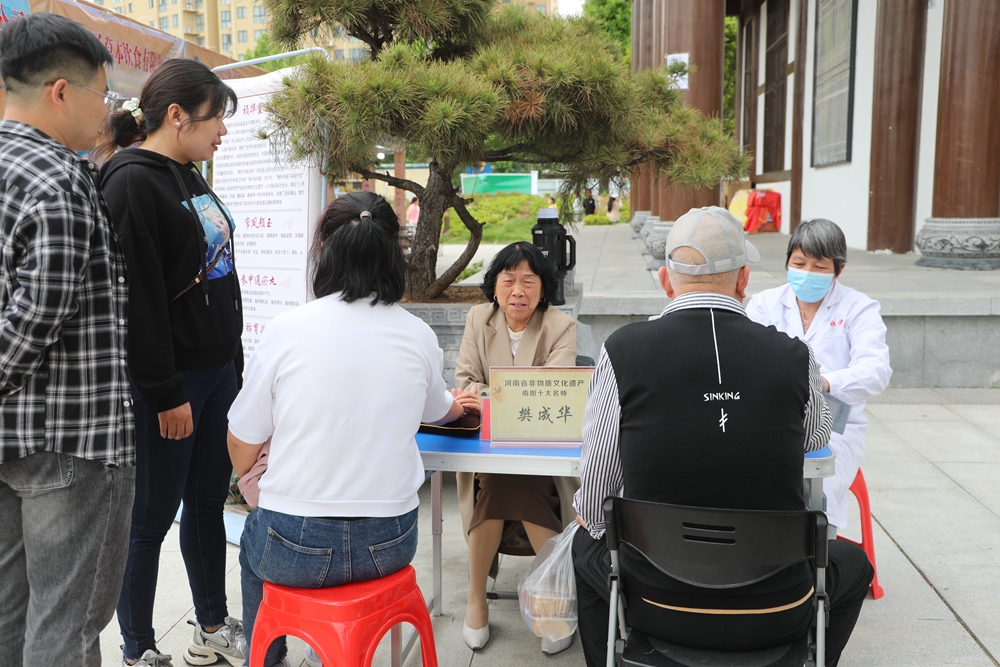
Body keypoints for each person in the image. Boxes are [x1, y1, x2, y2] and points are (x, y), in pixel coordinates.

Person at [571, 206, 874, 667]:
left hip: (656, 603)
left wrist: (595, 522)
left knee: (585, 543)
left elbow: (596, 493)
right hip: (778, 607)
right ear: (744, 279)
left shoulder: (622, 350)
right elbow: (814, 437)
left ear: (666, 281)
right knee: (854, 567)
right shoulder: (794, 355)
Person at [228, 192, 464, 667]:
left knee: (252, 549)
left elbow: (240, 447)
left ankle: (268, 659)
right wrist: (463, 405)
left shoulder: (287, 329)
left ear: (324, 250)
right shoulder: (417, 334)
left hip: (293, 544)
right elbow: (440, 411)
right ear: (391, 252)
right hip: (390, 542)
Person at [98, 59, 245, 667]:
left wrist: (235, 364)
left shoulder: (188, 174)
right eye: (216, 118)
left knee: (208, 505)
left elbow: (217, 276)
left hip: (217, 374)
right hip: (173, 381)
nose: (223, 133)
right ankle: (138, 649)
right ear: (177, 115)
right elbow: (139, 301)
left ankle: (209, 627)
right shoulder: (131, 180)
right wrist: (163, 391)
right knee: (148, 520)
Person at [0, 13, 135, 666]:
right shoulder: (58, 179)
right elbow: (33, 317)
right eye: (102, 96)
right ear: (60, 91)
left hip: (9, 438)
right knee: (68, 622)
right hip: (71, 440)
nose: (107, 112)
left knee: (9, 613)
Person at [452, 242, 578, 653]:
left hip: (542, 455)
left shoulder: (559, 326)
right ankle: (551, 603)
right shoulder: (477, 318)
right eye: (509, 280)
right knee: (498, 478)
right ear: (494, 287)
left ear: (543, 289)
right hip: (487, 449)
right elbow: (464, 381)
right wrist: (514, 392)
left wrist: (491, 393)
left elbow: (553, 392)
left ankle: (479, 600)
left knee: (511, 483)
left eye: (529, 280)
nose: (518, 290)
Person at [746, 218, 892, 531]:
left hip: (836, 424)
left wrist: (823, 383)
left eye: (820, 267)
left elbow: (877, 371)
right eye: (799, 263)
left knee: (818, 484)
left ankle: (818, 562)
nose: (807, 273)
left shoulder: (858, 308)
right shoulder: (763, 305)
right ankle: (759, 556)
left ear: (839, 269)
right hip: (769, 418)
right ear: (787, 261)